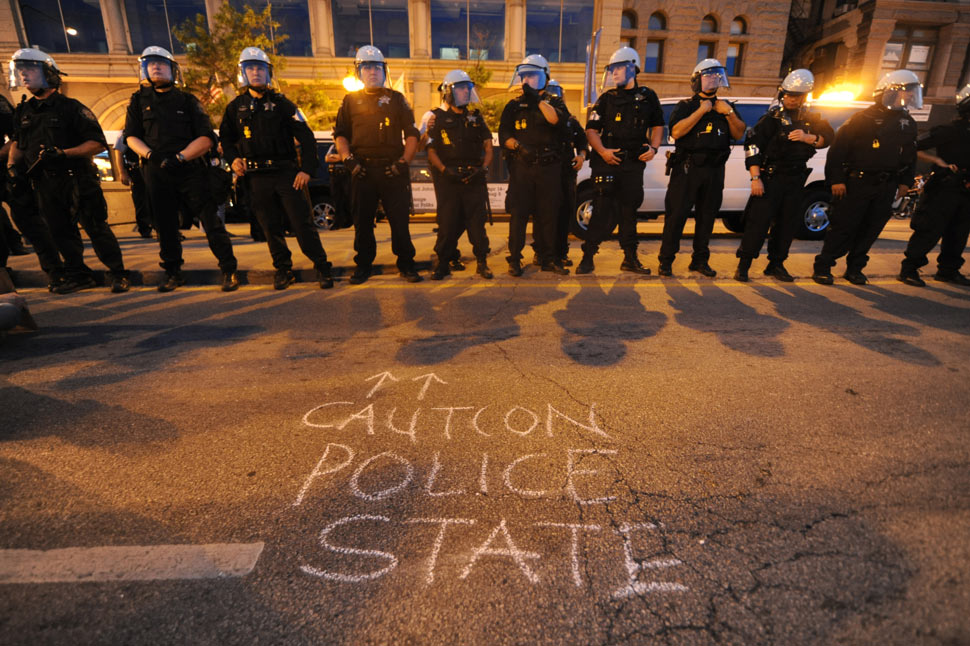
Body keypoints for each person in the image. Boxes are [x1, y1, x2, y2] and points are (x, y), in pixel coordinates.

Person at [6, 48, 130, 293]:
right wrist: (12, 169)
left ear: (48, 73)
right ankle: (78, 275)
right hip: (44, 183)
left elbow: (96, 144)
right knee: (59, 231)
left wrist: (64, 153)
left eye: (29, 70)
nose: (24, 76)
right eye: (21, 71)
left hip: (77, 180)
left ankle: (117, 273)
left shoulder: (72, 107)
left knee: (96, 228)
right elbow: (19, 144)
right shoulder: (24, 111)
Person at [123, 46, 238, 292]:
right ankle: (173, 272)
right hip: (156, 169)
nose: (156, 67)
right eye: (151, 64)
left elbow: (207, 138)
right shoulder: (138, 101)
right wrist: (151, 155)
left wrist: (181, 157)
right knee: (164, 225)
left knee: (211, 221)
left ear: (173, 70)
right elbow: (131, 137)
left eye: (161, 64)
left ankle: (229, 270)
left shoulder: (187, 101)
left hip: (190, 169)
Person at [221, 47, 334, 290]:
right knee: (269, 227)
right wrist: (233, 160)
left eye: (260, 68)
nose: (256, 72)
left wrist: (307, 170)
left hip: (287, 174)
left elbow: (307, 138)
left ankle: (322, 267)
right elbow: (226, 140)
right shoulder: (234, 108)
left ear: (268, 72)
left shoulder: (283, 104)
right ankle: (283, 269)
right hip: (256, 177)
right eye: (250, 68)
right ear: (243, 73)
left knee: (302, 224)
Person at [813, 69, 920, 285]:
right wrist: (836, 180)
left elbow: (910, 155)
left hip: (886, 184)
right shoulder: (863, 119)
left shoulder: (907, 123)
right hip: (857, 183)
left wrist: (905, 182)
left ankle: (855, 268)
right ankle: (824, 266)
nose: (910, 96)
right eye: (907, 91)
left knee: (871, 229)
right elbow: (837, 152)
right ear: (890, 92)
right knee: (844, 226)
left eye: (912, 91)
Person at [334, 46, 422, 284]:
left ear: (384, 70)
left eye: (376, 67)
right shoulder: (350, 101)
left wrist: (404, 162)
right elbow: (341, 134)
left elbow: (412, 134)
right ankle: (363, 265)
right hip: (361, 170)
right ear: (359, 72)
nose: (372, 72)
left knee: (400, 221)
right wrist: (347, 159)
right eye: (367, 67)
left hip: (392, 170)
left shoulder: (397, 99)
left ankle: (406, 264)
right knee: (362, 223)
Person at [735, 69, 834, 282]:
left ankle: (776, 264)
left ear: (804, 96)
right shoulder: (771, 120)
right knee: (757, 223)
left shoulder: (811, 119)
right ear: (782, 94)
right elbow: (752, 148)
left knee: (787, 225)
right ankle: (744, 265)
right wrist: (755, 178)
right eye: (788, 94)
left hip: (796, 179)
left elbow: (829, 137)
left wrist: (810, 138)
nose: (792, 99)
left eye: (797, 95)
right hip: (770, 179)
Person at [578, 47, 663, 275]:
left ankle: (630, 259)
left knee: (629, 212)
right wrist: (603, 152)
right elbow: (592, 130)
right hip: (608, 161)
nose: (614, 73)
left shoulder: (648, 96)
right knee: (601, 209)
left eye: (618, 68)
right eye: (612, 69)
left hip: (632, 164)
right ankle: (588, 257)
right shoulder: (607, 99)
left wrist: (654, 148)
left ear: (632, 68)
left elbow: (657, 125)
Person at [660, 58, 745, 277]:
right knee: (676, 216)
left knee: (707, 218)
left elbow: (738, 133)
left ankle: (699, 261)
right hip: (687, 168)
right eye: (709, 75)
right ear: (697, 80)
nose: (714, 79)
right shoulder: (685, 106)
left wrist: (727, 113)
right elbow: (676, 132)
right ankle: (666, 261)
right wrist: (701, 111)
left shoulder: (727, 108)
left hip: (715, 169)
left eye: (717, 75)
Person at [499, 54, 571, 276]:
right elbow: (504, 135)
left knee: (548, 215)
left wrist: (537, 100)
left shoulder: (554, 102)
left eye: (532, 75)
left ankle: (548, 258)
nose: (527, 80)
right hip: (523, 167)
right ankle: (515, 259)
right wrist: (519, 147)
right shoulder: (513, 106)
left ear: (544, 77)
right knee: (519, 215)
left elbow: (556, 120)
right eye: (524, 75)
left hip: (549, 167)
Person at [897, 84, 970, 287]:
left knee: (959, 233)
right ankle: (909, 269)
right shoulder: (949, 130)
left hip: (966, 192)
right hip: (943, 189)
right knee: (928, 230)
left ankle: (948, 270)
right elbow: (913, 146)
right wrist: (937, 162)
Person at [425, 69, 494, 280]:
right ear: (448, 92)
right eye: (461, 88)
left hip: (474, 179)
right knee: (447, 224)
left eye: (467, 88)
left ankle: (482, 263)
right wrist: (446, 171)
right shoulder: (436, 117)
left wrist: (482, 169)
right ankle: (443, 264)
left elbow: (489, 147)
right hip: (448, 180)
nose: (465, 92)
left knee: (477, 225)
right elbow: (431, 151)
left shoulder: (476, 118)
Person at [544, 79, 587, 267]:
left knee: (564, 214)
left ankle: (561, 253)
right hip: (547, 172)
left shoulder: (571, 121)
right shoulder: (541, 119)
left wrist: (582, 156)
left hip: (567, 174)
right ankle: (543, 253)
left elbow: (583, 143)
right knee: (546, 215)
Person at [115, 132, 153, 238]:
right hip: (136, 170)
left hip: (152, 167)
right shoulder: (125, 133)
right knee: (141, 200)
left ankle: (161, 228)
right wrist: (122, 172)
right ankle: (145, 228)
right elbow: (118, 152)